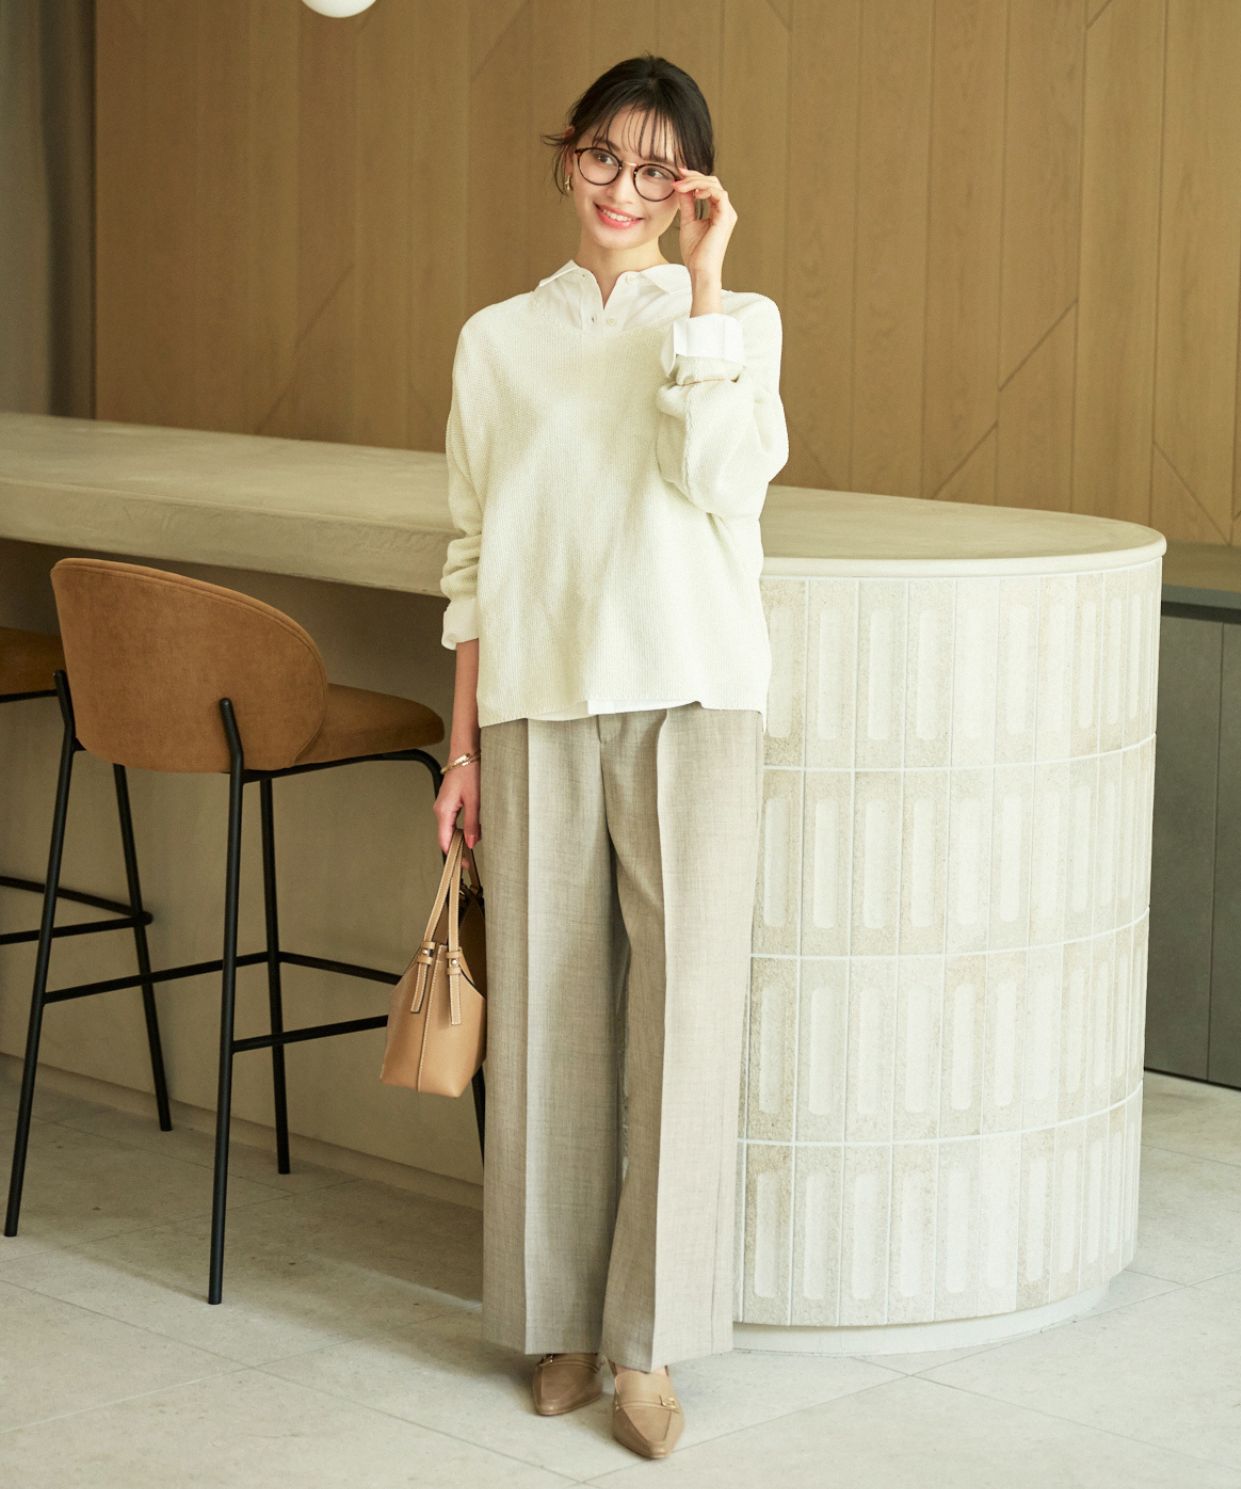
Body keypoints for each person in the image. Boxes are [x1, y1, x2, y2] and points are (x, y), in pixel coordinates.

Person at [432, 52, 788, 1461]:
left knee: (681, 1029)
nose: (621, 191)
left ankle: (648, 1342)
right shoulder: (495, 340)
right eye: (601, 157)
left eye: (655, 169)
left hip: (693, 696)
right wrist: (461, 746)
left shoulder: (733, 321)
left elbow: (725, 481)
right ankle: (560, 1321)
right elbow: (471, 554)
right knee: (548, 1027)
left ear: (690, 186)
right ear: (568, 154)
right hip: (535, 703)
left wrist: (703, 287)